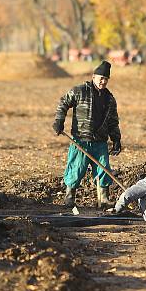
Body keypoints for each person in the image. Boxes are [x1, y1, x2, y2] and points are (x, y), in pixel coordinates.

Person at [53, 60, 121, 207]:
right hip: (80, 140)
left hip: (100, 142)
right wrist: (59, 121)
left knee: (104, 169)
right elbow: (64, 103)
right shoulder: (80, 91)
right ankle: (69, 197)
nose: (103, 82)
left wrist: (116, 139)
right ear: (94, 76)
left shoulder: (109, 99)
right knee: (76, 168)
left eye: (106, 79)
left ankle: (103, 199)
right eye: (101, 78)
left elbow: (113, 121)